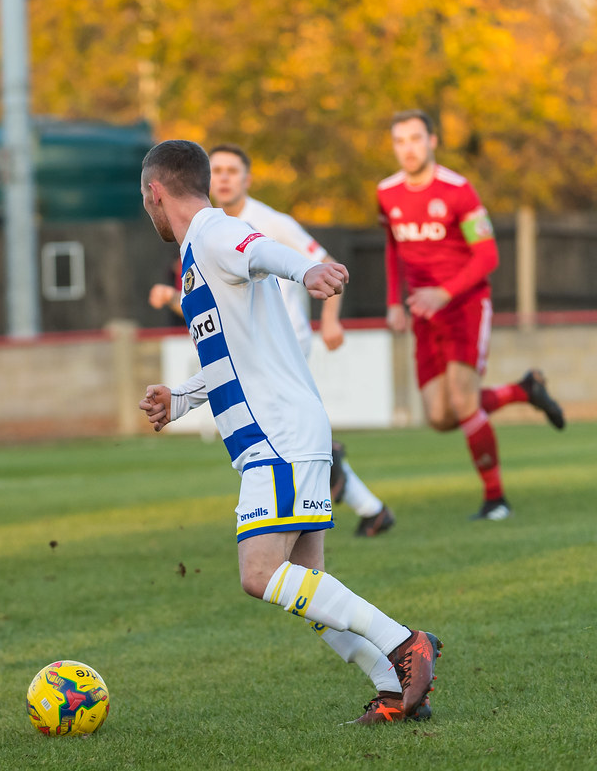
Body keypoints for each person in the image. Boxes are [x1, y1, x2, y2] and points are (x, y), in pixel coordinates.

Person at [138, 139, 439, 725]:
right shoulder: (200, 252)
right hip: (286, 429)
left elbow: (259, 247)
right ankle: (392, 688)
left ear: (156, 192)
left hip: (274, 435)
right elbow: (233, 352)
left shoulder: (213, 231)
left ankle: (406, 644)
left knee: (260, 575)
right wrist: (181, 399)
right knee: (306, 582)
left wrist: (309, 270)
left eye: (145, 202)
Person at [149, 143, 395, 537]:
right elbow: (229, 341)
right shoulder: (203, 237)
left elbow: (303, 258)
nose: (225, 178)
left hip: (282, 352)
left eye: (232, 171)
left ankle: (348, 483)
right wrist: (183, 397)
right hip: (262, 363)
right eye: (219, 170)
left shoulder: (248, 224)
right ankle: (368, 504)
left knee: (264, 562)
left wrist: (320, 298)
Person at [379, 110, 564, 521]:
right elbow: (392, 247)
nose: (408, 148)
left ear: (432, 141)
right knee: (439, 416)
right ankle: (523, 391)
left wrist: (444, 292)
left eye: (415, 138)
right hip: (424, 314)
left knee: (463, 400)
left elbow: (487, 255)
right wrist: (394, 302)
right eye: (400, 141)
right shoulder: (387, 193)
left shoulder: (458, 190)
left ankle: (496, 499)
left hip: (464, 306)